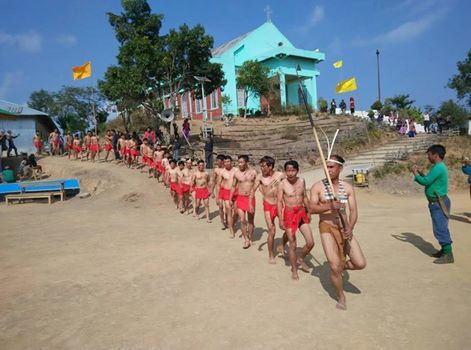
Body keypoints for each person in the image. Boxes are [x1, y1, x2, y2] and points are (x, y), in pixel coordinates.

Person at [309, 155, 366, 310]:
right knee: (334, 267)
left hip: (344, 227)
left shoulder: (347, 187)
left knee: (360, 263)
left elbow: (353, 211)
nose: (328, 170)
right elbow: (311, 208)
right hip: (326, 227)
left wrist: (350, 227)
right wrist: (328, 206)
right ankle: (341, 296)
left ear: (340, 168)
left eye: (331, 167)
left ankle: (341, 267)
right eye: (326, 167)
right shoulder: (317, 187)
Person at [412, 144, 454, 264]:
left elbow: (425, 182)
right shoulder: (438, 167)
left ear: (435, 155)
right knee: (440, 227)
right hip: (438, 202)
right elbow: (430, 180)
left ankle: (448, 253)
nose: (428, 157)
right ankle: (444, 250)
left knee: (440, 228)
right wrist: (421, 173)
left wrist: (415, 174)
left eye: (429, 154)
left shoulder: (438, 168)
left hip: (438, 203)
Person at [277, 160, 314, 280]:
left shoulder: (302, 181)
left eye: (293, 170)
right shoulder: (282, 184)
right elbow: (279, 202)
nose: (290, 173)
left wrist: (308, 212)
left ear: (297, 171)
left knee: (310, 242)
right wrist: (281, 220)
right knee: (293, 244)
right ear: (285, 171)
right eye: (288, 170)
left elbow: (305, 197)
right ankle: (294, 269)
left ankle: (301, 258)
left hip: (301, 212)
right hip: (289, 213)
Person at [252, 156, 285, 263]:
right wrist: (250, 204)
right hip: (268, 205)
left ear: (270, 166)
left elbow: (289, 185)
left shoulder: (280, 175)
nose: (261, 168)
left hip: (280, 204)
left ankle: (282, 245)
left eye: (263, 166)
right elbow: (252, 191)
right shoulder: (260, 177)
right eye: (260, 166)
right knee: (272, 231)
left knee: (288, 228)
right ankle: (271, 255)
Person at [231, 155, 258, 249]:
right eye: (238, 162)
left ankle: (250, 238)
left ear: (246, 162)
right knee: (242, 220)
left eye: (241, 162)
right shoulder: (236, 173)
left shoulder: (254, 172)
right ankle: (246, 240)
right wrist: (231, 198)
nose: (239, 164)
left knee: (251, 221)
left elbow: (259, 183)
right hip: (240, 198)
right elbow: (233, 186)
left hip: (250, 198)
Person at [216, 155, 237, 238]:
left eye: (228, 161)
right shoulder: (222, 172)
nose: (227, 163)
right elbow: (218, 184)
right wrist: (217, 196)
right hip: (225, 191)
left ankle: (231, 222)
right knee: (227, 209)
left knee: (236, 212)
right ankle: (230, 229)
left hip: (235, 192)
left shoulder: (236, 170)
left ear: (231, 162)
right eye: (225, 162)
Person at [211, 154, 228, 230]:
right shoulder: (216, 170)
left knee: (228, 208)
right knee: (220, 207)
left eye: (218, 160)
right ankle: (222, 222)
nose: (217, 162)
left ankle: (227, 220)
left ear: (222, 161)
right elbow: (214, 181)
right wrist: (212, 192)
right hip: (219, 190)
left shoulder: (228, 169)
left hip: (227, 190)